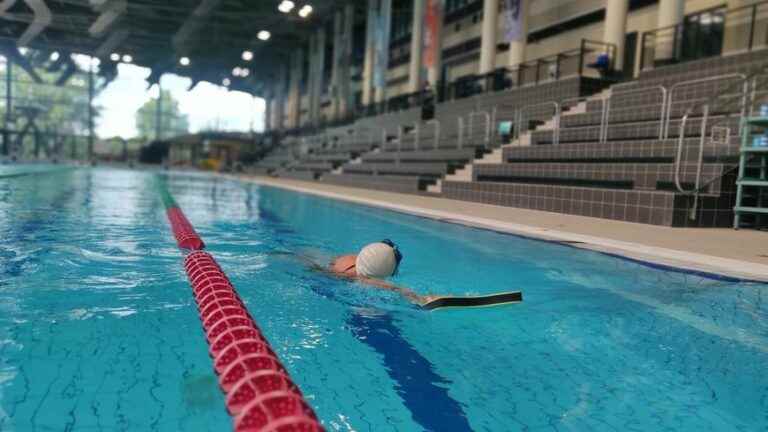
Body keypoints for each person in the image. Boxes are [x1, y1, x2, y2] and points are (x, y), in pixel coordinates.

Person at [328, 239, 436, 305]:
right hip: (331, 270)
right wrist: (417, 297)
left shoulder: (363, 260)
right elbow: (388, 286)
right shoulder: (356, 275)